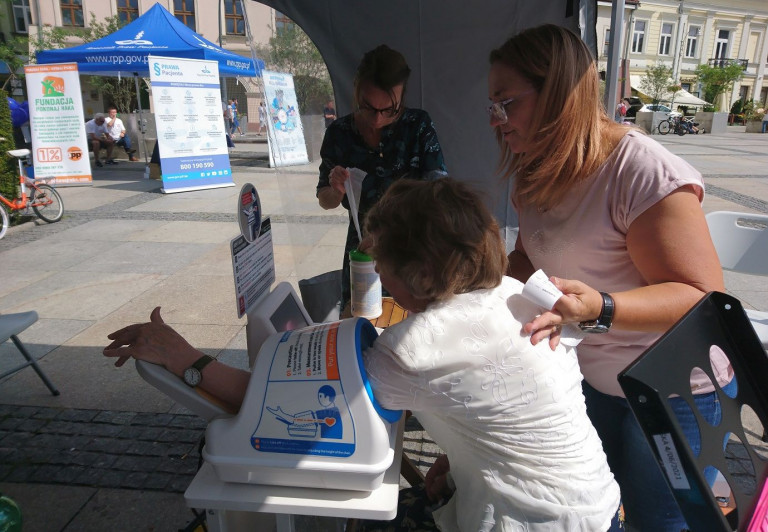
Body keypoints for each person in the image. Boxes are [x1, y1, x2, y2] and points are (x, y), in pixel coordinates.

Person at [103, 178, 621, 531]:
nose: (378, 275)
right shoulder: (511, 291)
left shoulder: (412, 349)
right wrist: (464, 461)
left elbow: (285, 411)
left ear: (418, 276)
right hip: (597, 503)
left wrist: (187, 360)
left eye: (382, 264)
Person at [488, 24, 730, 531]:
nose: (497, 120)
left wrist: (602, 307)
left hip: (674, 391)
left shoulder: (639, 171)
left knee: (659, 521)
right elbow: (528, 258)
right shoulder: (536, 170)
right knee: (598, 511)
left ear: (556, 95)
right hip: (595, 379)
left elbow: (703, 299)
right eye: (493, 105)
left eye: (507, 103)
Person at [316, 44, 447, 311]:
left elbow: (439, 196)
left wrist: (390, 233)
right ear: (356, 91)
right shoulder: (340, 133)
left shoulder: (417, 126)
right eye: (369, 107)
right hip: (363, 251)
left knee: (411, 327)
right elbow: (325, 200)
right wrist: (336, 189)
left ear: (402, 97)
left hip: (412, 249)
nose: (377, 119)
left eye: (389, 109)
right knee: (362, 322)